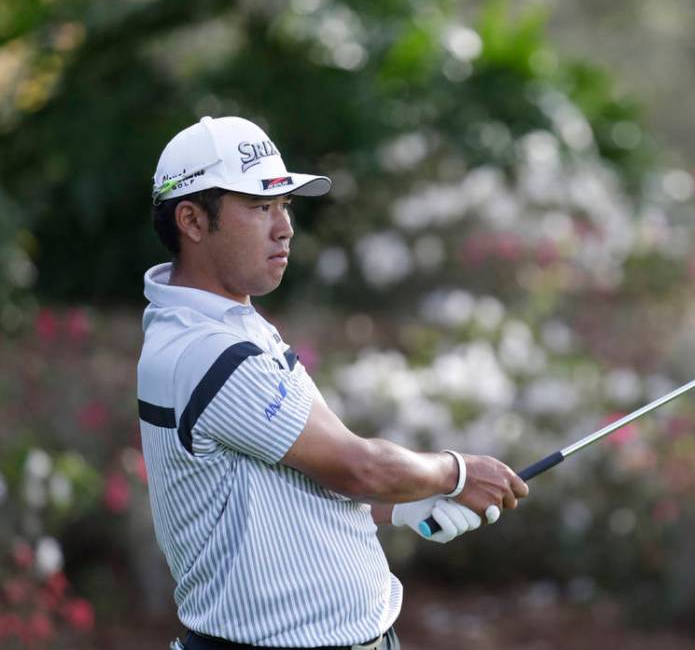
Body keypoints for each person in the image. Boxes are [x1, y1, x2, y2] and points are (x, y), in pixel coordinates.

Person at [136, 116, 529, 650]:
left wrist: (401, 505)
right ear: (193, 221)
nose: (284, 228)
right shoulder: (208, 351)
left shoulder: (227, 325)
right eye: (259, 207)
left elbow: (285, 484)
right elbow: (357, 466)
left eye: (284, 206)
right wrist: (454, 473)